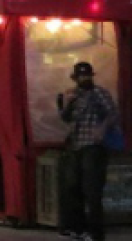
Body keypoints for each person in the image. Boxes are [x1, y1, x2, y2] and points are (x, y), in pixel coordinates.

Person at [58, 62, 117, 241]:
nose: (85, 79)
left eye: (87, 76)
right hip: (76, 146)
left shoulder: (99, 93)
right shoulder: (74, 95)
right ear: (76, 79)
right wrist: (66, 103)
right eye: (81, 77)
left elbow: (113, 113)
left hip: (93, 146)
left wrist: (102, 128)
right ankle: (77, 228)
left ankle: (96, 232)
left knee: (92, 190)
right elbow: (65, 118)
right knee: (73, 188)